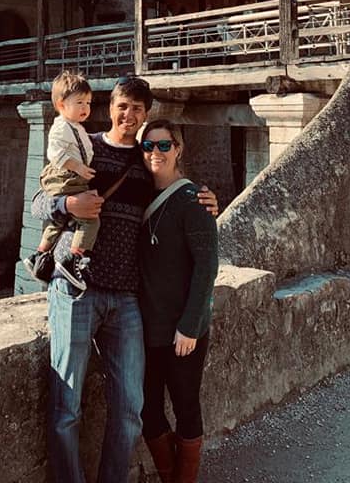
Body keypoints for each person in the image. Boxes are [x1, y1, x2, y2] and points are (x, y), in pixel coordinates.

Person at [31, 75, 217, 483]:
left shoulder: (147, 160)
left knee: (131, 408)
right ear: (109, 107)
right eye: (122, 106)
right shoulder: (86, 146)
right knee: (67, 407)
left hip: (126, 299)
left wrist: (205, 199)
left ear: (145, 114)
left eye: (137, 108)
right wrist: (67, 203)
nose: (128, 115)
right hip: (76, 290)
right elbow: (38, 201)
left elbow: (175, 194)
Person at [138, 119, 218, 483]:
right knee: (148, 411)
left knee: (186, 407)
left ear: (179, 148)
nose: (156, 153)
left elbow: (207, 268)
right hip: (145, 326)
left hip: (183, 331)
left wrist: (189, 325)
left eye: (164, 145)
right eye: (149, 146)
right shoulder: (139, 194)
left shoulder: (194, 201)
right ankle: (169, 476)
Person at [23, 70, 96, 290]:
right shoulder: (61, 127)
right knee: (90, 220)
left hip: (72, 176)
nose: (85, 108)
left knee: (59, 221)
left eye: (89, 103)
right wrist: (80, 169)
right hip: (67, 176)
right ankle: (72, 259)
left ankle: (39, 255)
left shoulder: (76, 127)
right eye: (80, 102)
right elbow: (56, 155)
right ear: (62, 104)